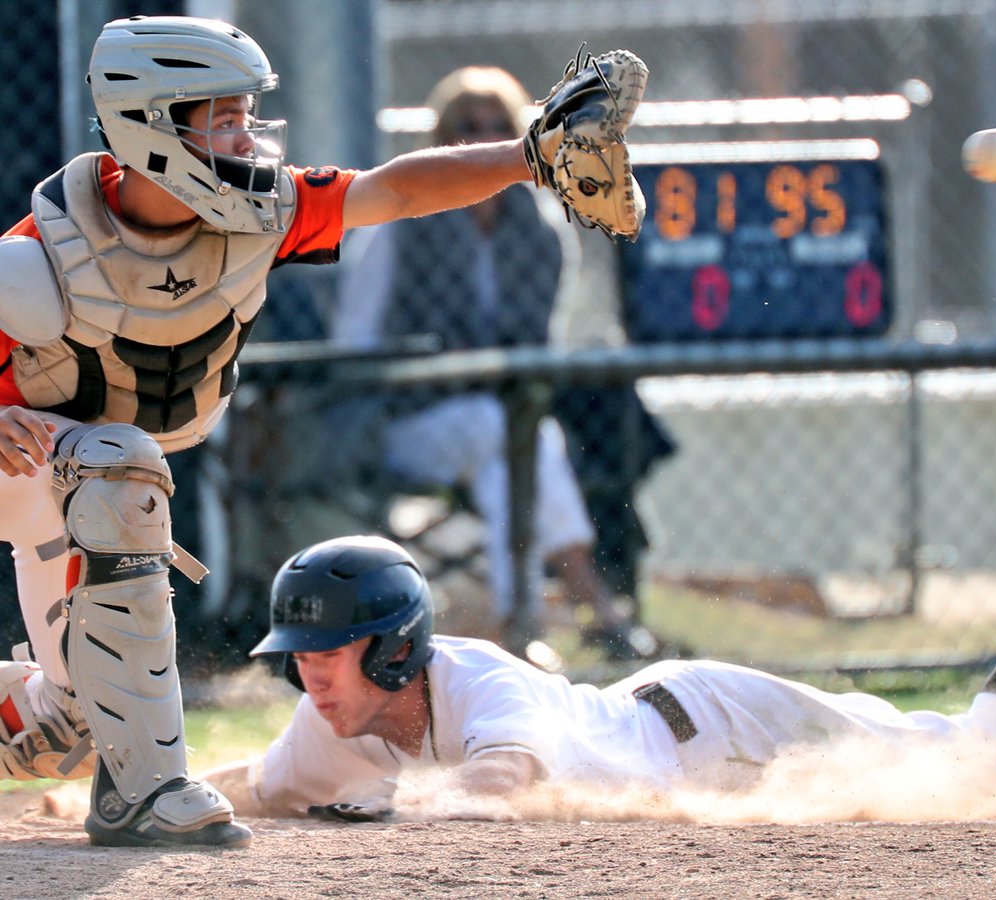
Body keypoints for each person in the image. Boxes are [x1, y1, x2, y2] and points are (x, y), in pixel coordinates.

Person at [0, 15, 623, 848]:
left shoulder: (257, 211)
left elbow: (395, 190)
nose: (245, 136)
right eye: (220, 119)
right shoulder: (36, 259)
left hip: (70, 487)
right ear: (151, 126)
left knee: (73, 731)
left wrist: (527, 157)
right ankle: (145, 792)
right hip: (32, 464)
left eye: (244, 115)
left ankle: (100, 752)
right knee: (118, 459)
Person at [203, 510, 996, 818]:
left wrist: (401, 808)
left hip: (721, 724)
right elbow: (252, 785)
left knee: (980, 765)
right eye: (300, 659)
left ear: (397, 647)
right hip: (692, 739)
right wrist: (133, 786)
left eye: (329, 653)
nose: (311, 678)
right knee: (950, 748)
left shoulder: (483, 684)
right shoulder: (329, 725)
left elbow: (501, 777)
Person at [333, 66, 654, 661]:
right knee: (508, 432)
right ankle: (589, 607)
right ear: (439, 138)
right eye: (466, 127)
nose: (481, 137)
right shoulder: (399, 223)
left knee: (510, 442)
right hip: (401, 421)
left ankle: (522, 627)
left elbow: (541, 347)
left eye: (497, 126)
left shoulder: (542, 227)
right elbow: (355, 342)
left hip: (497, 426)